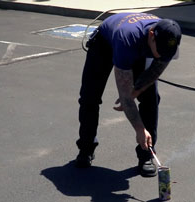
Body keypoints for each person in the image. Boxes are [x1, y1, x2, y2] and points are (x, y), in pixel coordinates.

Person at [75, 12, 181, 178]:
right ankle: (86, 149)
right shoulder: (127, 39)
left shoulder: (168, 42)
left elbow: (155, 71)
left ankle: (146, 155)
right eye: (159, 51)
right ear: (152, 36)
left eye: (166, 54)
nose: (161, 56)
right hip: (105, 43)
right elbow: (125, 97)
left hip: (139, 46)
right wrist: (139, 128)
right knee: (90, 96)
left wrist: (136, 90)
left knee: (151, 98)